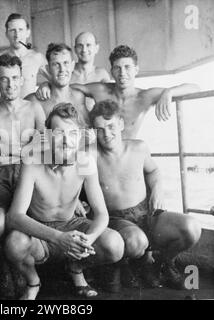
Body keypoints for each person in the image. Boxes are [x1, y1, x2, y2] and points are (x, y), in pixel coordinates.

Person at [5, 103, 125, 300]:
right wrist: (59, 238)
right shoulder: (33, 162)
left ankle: (76, 268)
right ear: (49, 136)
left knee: (115, 244)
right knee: (15, 243)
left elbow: (102, 214)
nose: (66, 140)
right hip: (41, 233)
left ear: (80, 137)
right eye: (59, 133)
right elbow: (14, 217)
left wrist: (90, 239)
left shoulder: (85, 161)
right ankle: (33, 281)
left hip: (73, 226)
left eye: (72, 134)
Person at [89, 100, 202, 290]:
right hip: (116, 218)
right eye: (99, 129)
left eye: (111, 126)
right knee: (136, 242)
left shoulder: (138, 147)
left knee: (191, 227)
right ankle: (126, 264)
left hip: (146, 212)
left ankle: (162, 263)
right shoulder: (90, 154)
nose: (106, 134)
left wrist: (157, 189)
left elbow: (154, 171)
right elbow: (70, 172)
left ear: (122, 123)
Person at [37, 45, 200, 139]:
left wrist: (169, 92)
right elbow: (66, 87)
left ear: (136, 69)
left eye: (128, 67)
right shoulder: (100, 90)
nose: (123, 73)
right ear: (111, 71)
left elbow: (195, 88)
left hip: (126, 154)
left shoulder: (145, 96)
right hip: (99, 153)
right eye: (118, 68)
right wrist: (46, 84)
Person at [0, 53, 46, 237]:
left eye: (15, 78)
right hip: (1, 177)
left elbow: (44, 150)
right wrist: (26, 151)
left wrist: (4, 149)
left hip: (31, 173)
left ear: (22, 79)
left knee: (39, 218)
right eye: (4, 79)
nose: (11, 84)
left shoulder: (34, 109)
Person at [26, 43, 91, 126]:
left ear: (72, 66)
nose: (62, 69)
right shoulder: (33, 101)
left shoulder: (78, 96)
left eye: (66, 63)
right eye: (56, 64)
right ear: (48, 68)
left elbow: (88, 131)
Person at [0, 13, 47, 98]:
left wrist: (46, 84)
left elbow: (56, 80)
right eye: (12, 30)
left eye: (21, 30)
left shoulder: (37, 57)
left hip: (28, 109)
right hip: (6, 110)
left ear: (28, 32)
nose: (17, 35)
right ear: (6, 33)